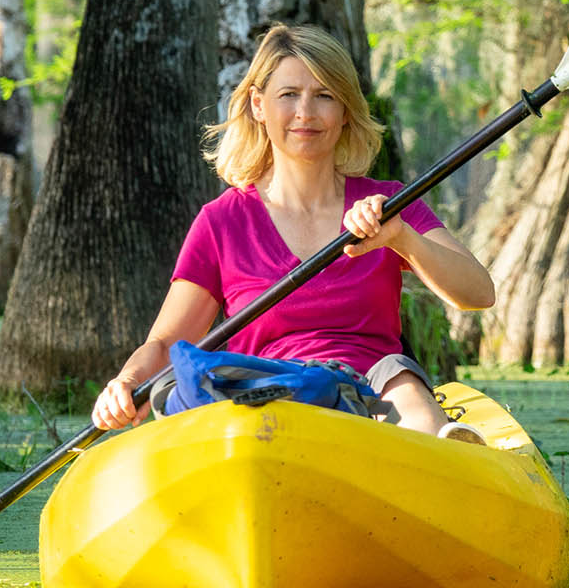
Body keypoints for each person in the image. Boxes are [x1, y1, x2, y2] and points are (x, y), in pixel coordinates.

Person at [90, 24, 495, 440]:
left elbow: (479, 293)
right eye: (289, 95)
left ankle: (433, 454)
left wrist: (403, 239)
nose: (306, 112)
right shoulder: (221, 221)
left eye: (325, 96)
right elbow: (165, 344)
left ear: (345, 112)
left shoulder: (389, 204)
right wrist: (125, 382)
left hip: (375, 383)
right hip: (267, 389)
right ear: (258, 105)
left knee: (407, 389)